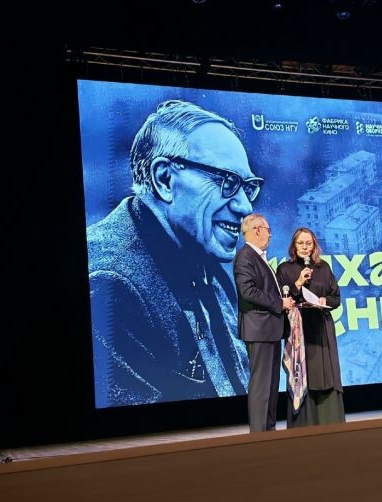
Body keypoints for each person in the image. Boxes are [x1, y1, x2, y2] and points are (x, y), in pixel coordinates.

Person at [86, 99, 263, 408]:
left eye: (248, 187)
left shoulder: (204, 256)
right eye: (226, 182)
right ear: (164, 179)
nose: (246, 207)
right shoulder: (108, 283)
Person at [276, 227, 345, 427]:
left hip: (321, 326)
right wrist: (298, 282)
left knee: (325, 372)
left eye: (309, 243)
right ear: (294, 246)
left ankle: (329, 418)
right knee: (302, 371)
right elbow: (280, 298)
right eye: (300, 243)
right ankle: (303, 421)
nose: (305, 247)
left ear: (314, 246)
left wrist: (325, 300)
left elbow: (336, 297)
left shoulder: (323, 267)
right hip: (299, 328)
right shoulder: (285, 269)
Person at [234, 214, 295, 432]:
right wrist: (280, 303)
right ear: (257, 230)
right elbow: (248, 292)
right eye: (269, 230)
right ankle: (259, 434)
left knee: (271, 385)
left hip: (269, 330)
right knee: (261, 385)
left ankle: (268, 432)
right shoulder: (245, 256)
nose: (270, 235)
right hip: (259, 330)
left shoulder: (258, 257)